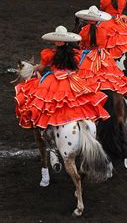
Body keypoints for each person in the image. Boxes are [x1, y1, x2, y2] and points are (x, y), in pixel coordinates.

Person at [14, 26, 110, 187]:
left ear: (55, 40)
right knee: (78, 104)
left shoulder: (48, 54)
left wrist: (34, 68)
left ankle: (46, 137)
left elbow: (41, 69)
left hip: (54, 82)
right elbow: (77, 68)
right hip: (72, 81)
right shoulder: (76, 54)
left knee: (43, 105)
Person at [75, 6, 127, 96]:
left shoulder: (84, 30)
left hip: (87, 55)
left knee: (76, 72)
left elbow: (80, 43)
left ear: (87, 19)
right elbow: (103, 44)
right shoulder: (102, 31)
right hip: (101, 55)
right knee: (111, 73)